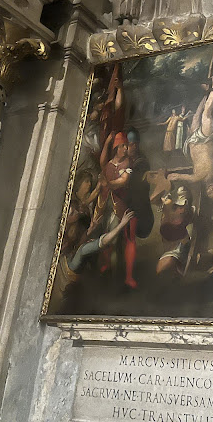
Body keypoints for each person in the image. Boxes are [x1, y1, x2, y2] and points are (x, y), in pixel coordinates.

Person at [52, 211, 135, 312]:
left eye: (64, 241)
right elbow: (102, 242)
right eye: (62, 243)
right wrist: (122, 224)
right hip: (80, 290)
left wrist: (90, 230)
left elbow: (77, 247)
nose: (63, 244)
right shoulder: (75, 260)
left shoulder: (65, 254)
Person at [168, 74, 213, 209]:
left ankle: (206, 93)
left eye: (209, 192)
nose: (211, 188)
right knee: (206, 114)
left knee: (197, 116)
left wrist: (174, 176)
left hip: (192, 141)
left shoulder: (197, 178)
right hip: (205, 138)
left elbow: (180, 177)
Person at [94, 131, 138, 288]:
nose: (125, 149)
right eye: (122, 146)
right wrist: (107, 143)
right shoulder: (109, 164)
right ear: (116, 148)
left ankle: (124, 277)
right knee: (105, 236)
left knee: (118, 238)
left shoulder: (127, 163)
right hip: (106, 205)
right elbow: (102, 163)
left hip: (121, 205)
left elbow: (123, 181)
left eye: (126, 146)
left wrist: (109, 184)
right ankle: (107, 267)